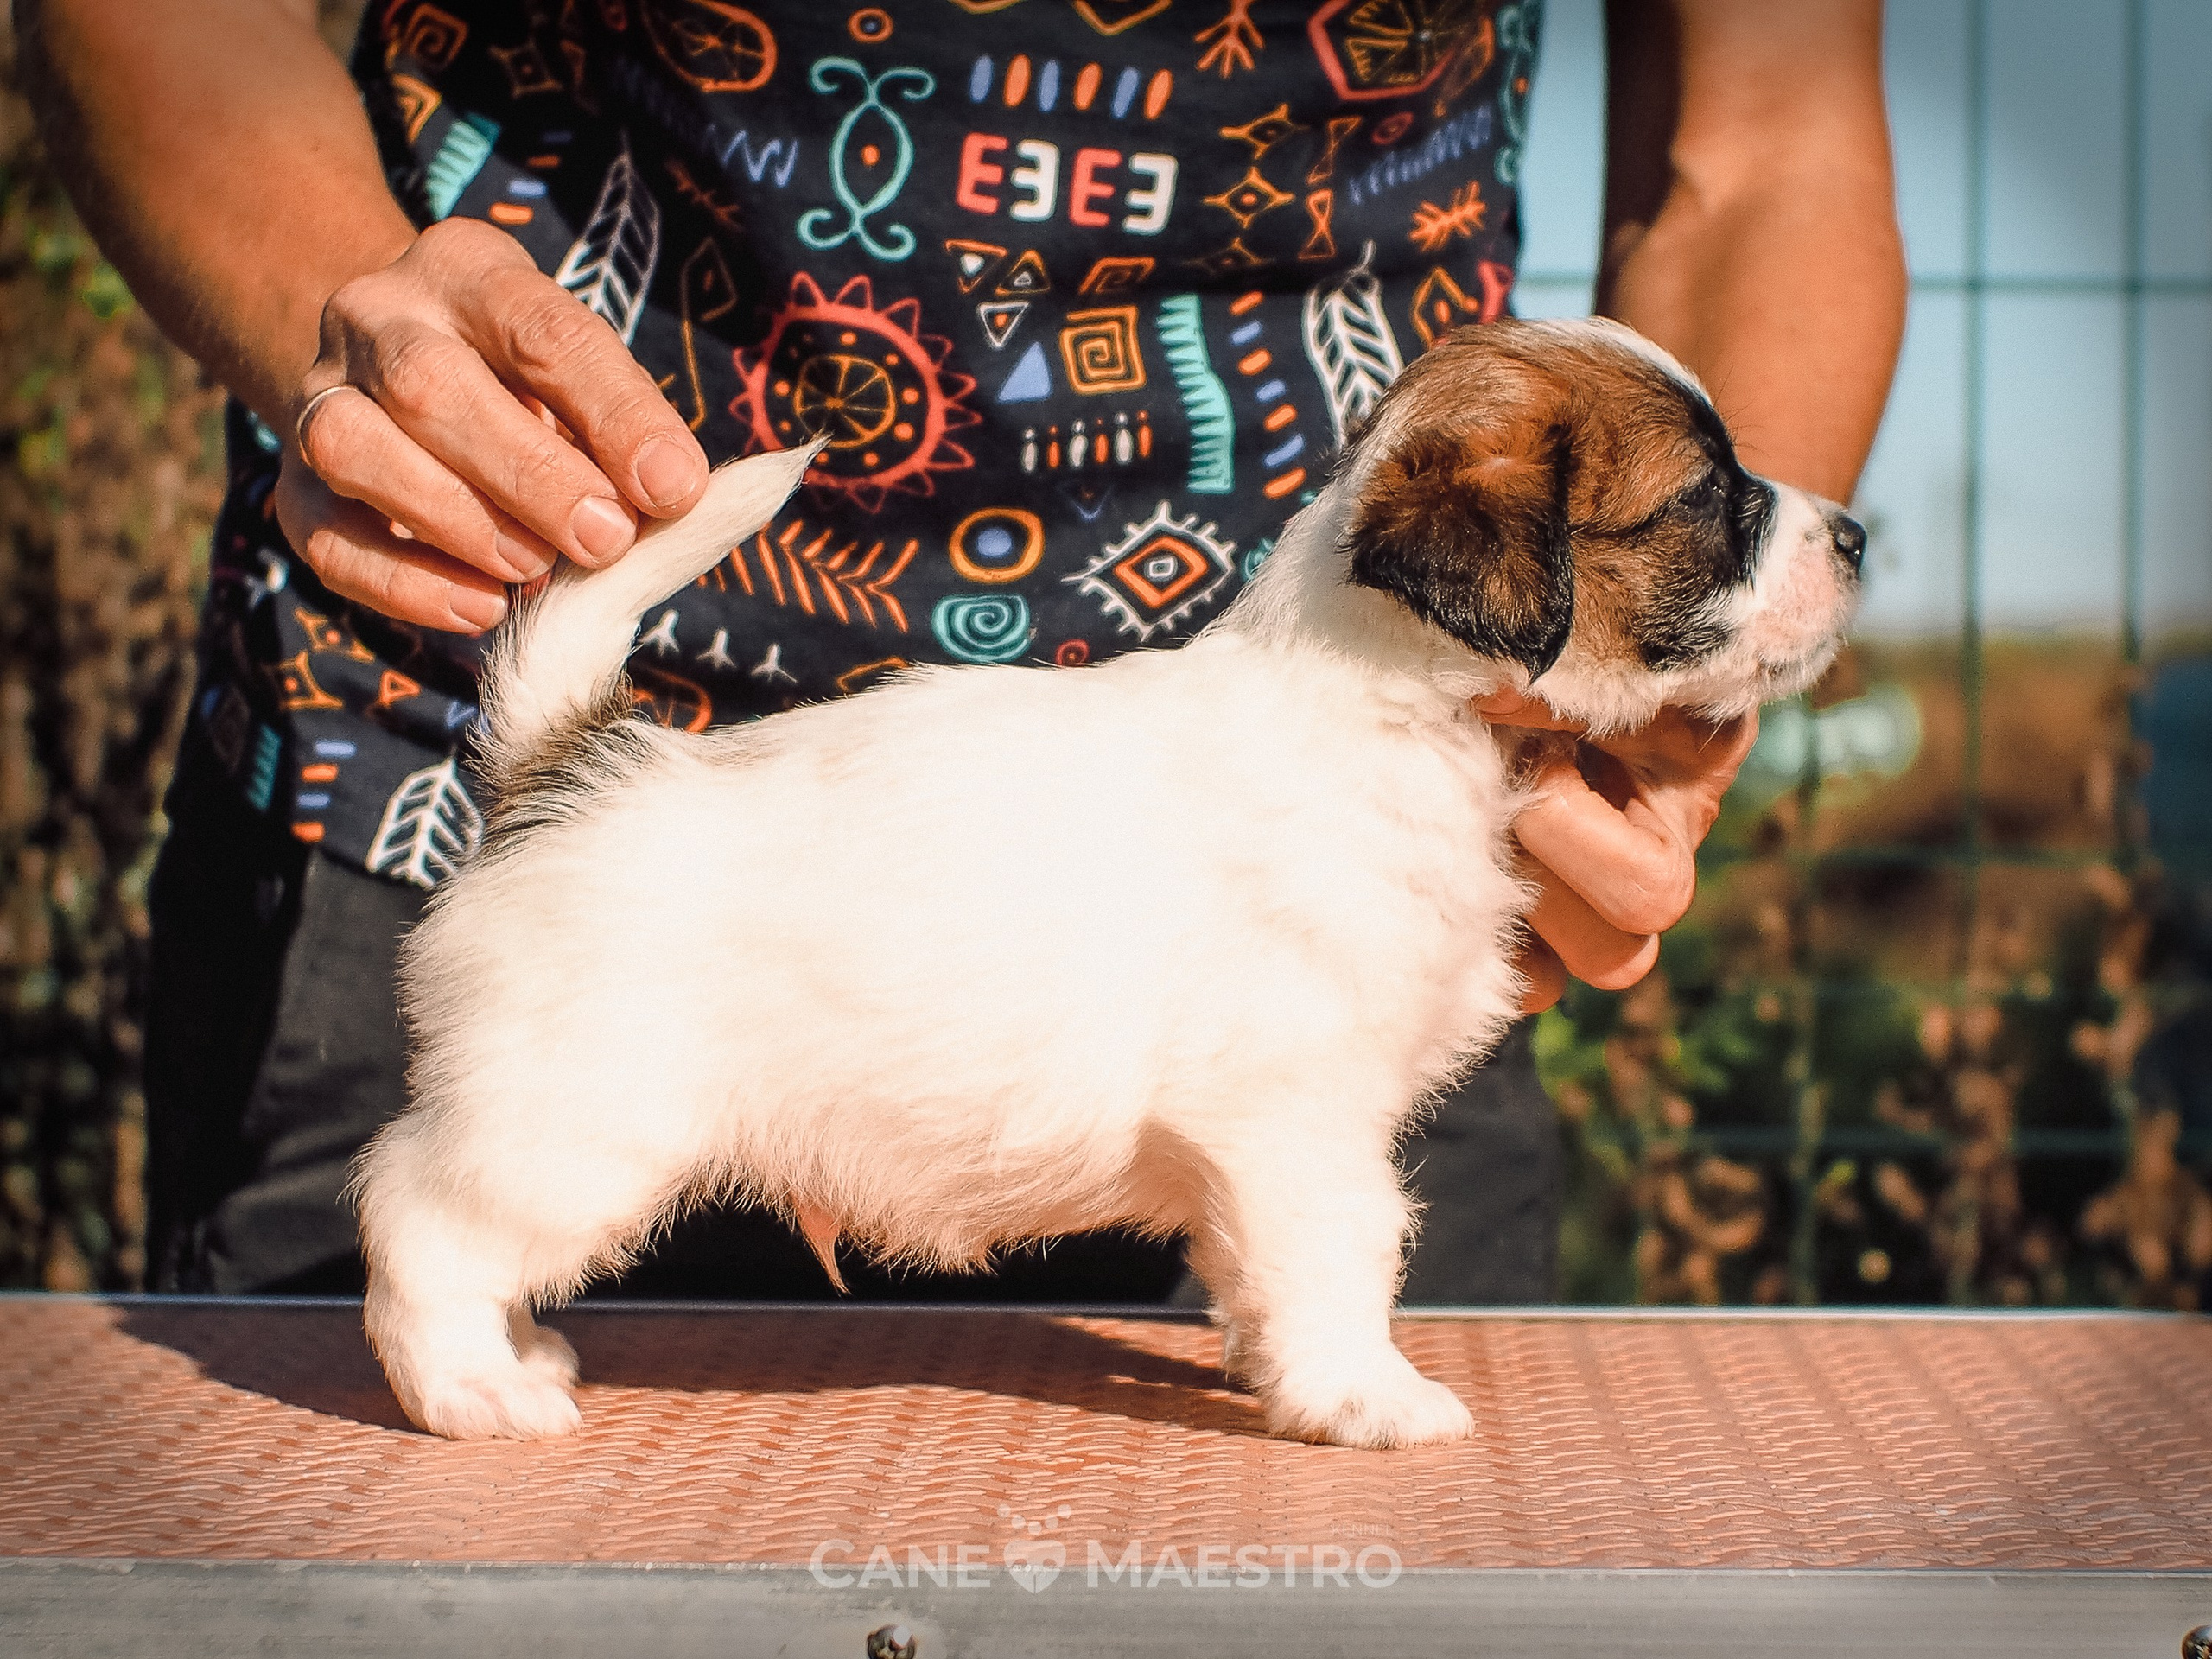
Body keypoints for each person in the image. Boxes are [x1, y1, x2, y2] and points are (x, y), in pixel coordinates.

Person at [24, 0, 1905, 1299]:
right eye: (1703, 509)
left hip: (1358, 813)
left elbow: (1763, 147)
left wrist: (1661, 680)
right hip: (482, 722)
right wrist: (333, 309)